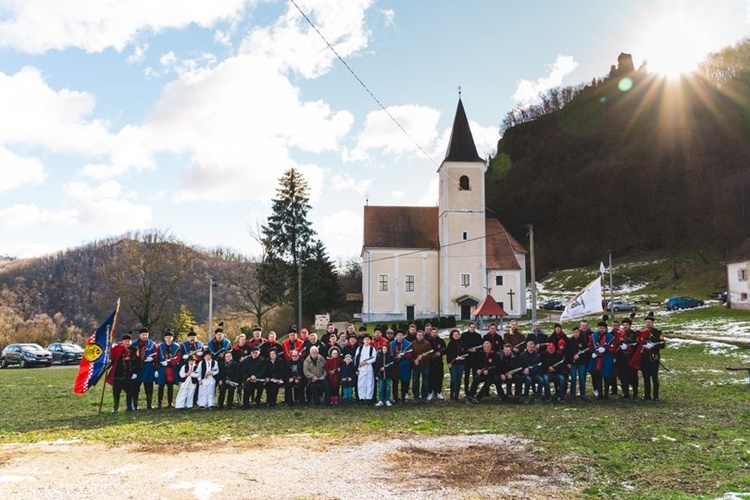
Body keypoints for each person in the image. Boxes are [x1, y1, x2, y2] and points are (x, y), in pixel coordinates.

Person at [632, 313, 665, 401]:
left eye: (650, 322)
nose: (648, 324)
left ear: (653, 323)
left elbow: (662, 344)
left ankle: (655, 395)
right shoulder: (642, 333)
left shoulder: (658, 332)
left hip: (654, 358)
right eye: (647, 322)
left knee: (654, 377)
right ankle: (647, 395)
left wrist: (653, 346)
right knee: (646, 377)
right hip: (644, 358)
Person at [107, 333, 140, 412]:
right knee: (116, 392)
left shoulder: (134, 350)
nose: (127, 343)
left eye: (128, 341)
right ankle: (115, 407)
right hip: (118, 375)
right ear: (122, 341)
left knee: (130, 392)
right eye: (125, 341)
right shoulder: (117, 349)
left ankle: (129, 407)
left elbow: (138, 362)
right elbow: (112, 360)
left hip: (129, 375)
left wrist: (135, 372)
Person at [588, 321, 616, 399]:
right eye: (600, 328)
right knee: (597, 376)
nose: (601, 329)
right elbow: (590, 345)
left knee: (606, 376)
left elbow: (613, 348)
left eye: (603, 328)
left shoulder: (610, 337)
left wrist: (606, 350)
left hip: (606, 358)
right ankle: (600, 394)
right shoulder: (593, 336)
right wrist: (593, 352)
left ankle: (606, 394)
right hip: (596, 359)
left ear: (606, 329)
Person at [156, 328, 180, 409]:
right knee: (161, 386)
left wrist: (170, 362)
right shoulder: (160, 346)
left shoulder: (176, 346)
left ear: (172, 338)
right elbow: (157, 357)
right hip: (162, 368)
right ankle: (160, 403)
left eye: (170, 337)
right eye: (167, 337)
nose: (168, 339)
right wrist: (157, 367)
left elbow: (178, 358)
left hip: (171, 368)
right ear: (164, 338)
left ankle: (170, 403)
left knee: (170, 386)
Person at [615, 317, 639, 398]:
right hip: (622, 358)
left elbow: (637, 345)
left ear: (630, 325)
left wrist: (628, 347)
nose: (625, 326)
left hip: (631, 358)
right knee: (623, 375)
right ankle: (625, 393)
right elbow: (616, 344)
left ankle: (635, 393)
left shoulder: (634, 334)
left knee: (633, 375)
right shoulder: (620, 334)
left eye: (627, 325)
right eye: (624, 325)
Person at [133, 327, 157, 410]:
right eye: (143, 335)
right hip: (138, 368)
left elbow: (156, 355)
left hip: (149, 368)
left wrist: (153, 359)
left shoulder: (152, 344)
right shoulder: (134, 344)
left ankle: (149, 405)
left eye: (146, 335)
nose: (145, 336)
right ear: (139, 335)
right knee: (136, 388)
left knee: (149, 387)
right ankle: (135, 405)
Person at [566, 326, 590, 400]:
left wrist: (579, 356)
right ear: (572, 333)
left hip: (581, 363)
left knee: (582, 378)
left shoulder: (582, 341)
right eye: (574, 332)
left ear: (579, 333)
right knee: (573, 379)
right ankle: (572, 394)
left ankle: (583, 394)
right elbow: (567, 353)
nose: (576, 334)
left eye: (577, 332)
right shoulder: (569, 341)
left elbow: (586, 351)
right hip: (572, 363)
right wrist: (568, 362)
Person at [460, 321, 483, 396]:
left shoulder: (478, 336)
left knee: (474, 375)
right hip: (467, 358)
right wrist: (468, 349)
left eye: (474, 327)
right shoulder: (464, 335)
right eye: (471, 327)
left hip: (475, 358)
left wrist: (476, 350)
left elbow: (481, 346)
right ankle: (466, 391)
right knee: (466, 375)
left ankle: (473, 391)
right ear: (468, 327)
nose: (472, 329)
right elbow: (462, 345)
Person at [410, 330, 432, 403]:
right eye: (418, 335)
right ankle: (416, 397)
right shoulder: (412, 344)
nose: (419, 336)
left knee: (425, 381)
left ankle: (424, 396)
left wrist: (422, 357)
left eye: (421, 335)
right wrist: (414, 360)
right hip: (416, 366)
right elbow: (410, 354)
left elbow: (430, 354)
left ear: (423, 336)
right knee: (415, 381)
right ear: (416, 336)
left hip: (425, 365)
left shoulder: (427, 344)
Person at [390, 330, 412, 403]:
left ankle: (403, 398)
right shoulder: (391, 344)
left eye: (401, 335)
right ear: (396, 336)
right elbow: (389, 353)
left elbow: (410, 354)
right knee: (395, 382)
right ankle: (395, 398)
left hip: (404, 365)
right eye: (398, 335)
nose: (400, 337)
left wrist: (402, 357)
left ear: (403, 336)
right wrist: (394, 357)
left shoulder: (407, 344)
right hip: (395, 365)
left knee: (404, 382)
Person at [355, 334, 377, 403]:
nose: (367, 341)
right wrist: (356, 369)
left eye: (368, 339)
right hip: (361, 368)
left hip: (369, 367)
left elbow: (374, 358)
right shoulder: (360, 348)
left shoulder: (372, 349)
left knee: (369, 383)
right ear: (363, 341)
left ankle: (369, 398)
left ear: (370, 341)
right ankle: (362, 397)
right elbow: (356, 358)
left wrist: (366, 362)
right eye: (365, 339)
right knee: (361, 383)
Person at [446, 328, 466, 401]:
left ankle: (456, 395)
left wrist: (463, 357)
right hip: (453, 364)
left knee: (459, 380)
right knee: (453, 379)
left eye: (457, 334)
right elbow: (448, 355)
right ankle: (452, 394)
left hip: (461, 364)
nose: (456, 336)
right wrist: (449, 363)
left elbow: (465, 353)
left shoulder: (462, 343)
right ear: (452, 336)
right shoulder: (450, 344)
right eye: (454, 335)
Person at [427, 326, 446, 400]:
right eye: (433, 332)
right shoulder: (428, 341)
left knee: (439, 377)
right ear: (430, 333)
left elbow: (445, 349)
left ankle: (438, 392)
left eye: (435, 332)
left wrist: (440, 353)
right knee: (430, 377)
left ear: (437, 333)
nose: (434, 334)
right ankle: (430, 392)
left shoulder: (441, 341)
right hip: (430, 363)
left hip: (439, 362)